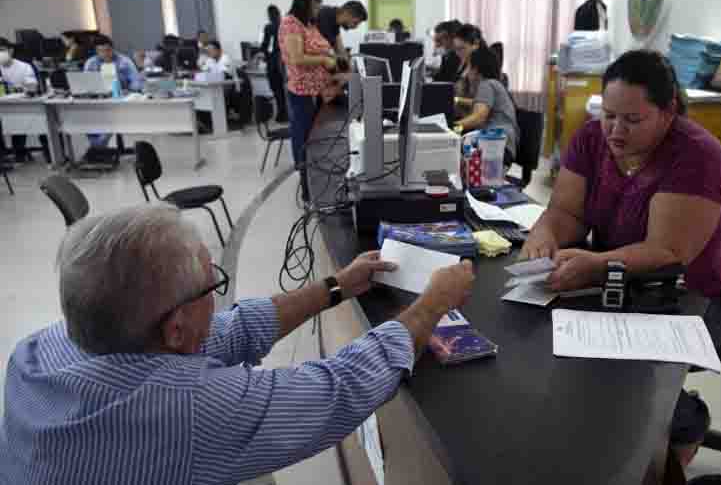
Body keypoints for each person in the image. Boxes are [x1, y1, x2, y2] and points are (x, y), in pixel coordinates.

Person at [0, 202, 474, 484]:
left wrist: (336, 287)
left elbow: (226, 331)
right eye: (212, 287)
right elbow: (337, 389)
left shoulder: (38, 349)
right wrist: (433, 303)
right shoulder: (188, 411)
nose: (219, 299)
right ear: (175, 328)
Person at [520, 50, 721, 470]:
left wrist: (596, 264)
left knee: (621, 371)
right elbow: (567, 211)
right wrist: (545, 233)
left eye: (632, 120)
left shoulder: (697, 156)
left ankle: (684, 422)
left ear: (668, 111)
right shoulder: (590, 138)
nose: (615, 131)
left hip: (691, 296)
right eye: (608, 115)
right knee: (551, 348)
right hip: (619, 280)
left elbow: (667, 251)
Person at [280, 0, 339, 202]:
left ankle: (315, 187)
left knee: (316, 144)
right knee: (306, 145)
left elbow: (320, 47)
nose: (319, 7)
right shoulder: (290, 23)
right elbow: (296, 58)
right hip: (303, 94)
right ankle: (307, 193)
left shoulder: (309, 24)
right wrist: (324, 60)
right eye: (316, 2)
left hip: (318, 92)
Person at [454, 47, 519, 163]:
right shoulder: (494, 84)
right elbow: (478, 103)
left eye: (469, 67)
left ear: (476, 69)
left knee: (448, 152)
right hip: (500, 146)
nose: (467, 72)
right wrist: (457, 100)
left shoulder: (486, 85)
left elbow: (478, 118)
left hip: (496, 148)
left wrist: (453, 128)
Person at [84, 35, 143, 149]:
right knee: (86, 118)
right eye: (101, 51)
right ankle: (98, 146)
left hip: (120, 102)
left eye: (108, 50)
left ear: (113, 49)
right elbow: (86, 83)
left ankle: (99, 146)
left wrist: (127, 90)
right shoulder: (91, 63)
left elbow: (136, 83)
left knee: (109, 120)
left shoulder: (124, 61)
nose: (105, 53)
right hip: (98, 101)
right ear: (96, 51)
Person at [0, 39, 51, 163]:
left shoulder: (24, 66)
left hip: (25, 102)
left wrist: (22, 87)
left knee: (38, 124)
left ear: (10, 50)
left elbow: (33, 86)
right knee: (12, 125)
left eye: (2, 50)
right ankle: (15, 155)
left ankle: (49, 154)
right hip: (4, 105)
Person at [451, 24, 486, 117]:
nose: (458, 53)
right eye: (456, 49)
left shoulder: (480, 70)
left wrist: (455, 99)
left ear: (475, 45)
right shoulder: (464, 64)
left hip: (472, 123)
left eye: (461, 49)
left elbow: (482, 103)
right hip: (460, 117)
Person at [260, 4, 287, 122]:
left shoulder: (269, 27)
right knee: (284, 89)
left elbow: (266, 45)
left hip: (274, 63)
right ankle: (286, 114)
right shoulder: (284, 25)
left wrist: (261, 52)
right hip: (284, 62)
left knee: (276, 89)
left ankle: (281, 114)